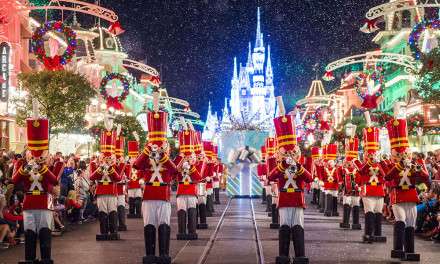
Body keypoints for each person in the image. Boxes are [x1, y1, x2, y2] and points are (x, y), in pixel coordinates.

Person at [133, 95, 178, 264]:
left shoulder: (168, 158)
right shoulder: (146, 157)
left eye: (164, 144)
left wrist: (163, 155)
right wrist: (147, 149)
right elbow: (136, 166)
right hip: (149, 195)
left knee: (164, 225)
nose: (161, 146)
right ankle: (150, 254)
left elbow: (175, 171)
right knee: (149, 225)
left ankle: (164, 254)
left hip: (163, 195)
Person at [269, 97, 312, 264]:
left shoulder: (303, 164)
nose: (290, 156)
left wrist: (298, 166)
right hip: (284, 199)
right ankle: (284, 255)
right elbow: (271, 176)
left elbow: (309, 178)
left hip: (297, 199)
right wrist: (283, 165)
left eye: (293, 153)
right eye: (287, 153)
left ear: (298, 153)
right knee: (285, 226)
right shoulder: (279, 166)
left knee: (298, 226)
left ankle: (300, 255)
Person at [386, 104, 429, 261]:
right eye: (399, 154)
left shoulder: (414, 163)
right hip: (398, 196)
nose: (403, 156)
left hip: (411, 196)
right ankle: (398, 249)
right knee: (401, 222)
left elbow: (426, 178)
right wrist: (399, 165)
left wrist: (417, 167)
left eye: (405, 153)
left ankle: (410, 250)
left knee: (411, 224)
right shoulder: (392, 165)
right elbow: (388, 177)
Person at [12, 117, 59, 264]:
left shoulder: (48, 166)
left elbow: (54, 180)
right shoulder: (23, 165)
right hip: (29, 203)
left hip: (44, 201)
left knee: (45, 230)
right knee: (30, 232)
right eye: (30, 153)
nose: (33, 155)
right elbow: (14, 181)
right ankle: (29, 259)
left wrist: (42, 167)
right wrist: (25, 168)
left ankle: (46, 258)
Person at [358, 112, 387, 243]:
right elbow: (361, 172)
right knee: (369, 212)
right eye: (369, 154)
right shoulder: (363, 163)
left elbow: (385, 174)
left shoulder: (381, 163)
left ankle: (378, 233)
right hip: (368, 190)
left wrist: (379, 162)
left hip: (379, 191)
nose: (371, 155)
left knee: (378, 212)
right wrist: (369, 162)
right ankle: (368, 234)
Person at [89, 129, 122, 241]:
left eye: (109, 158)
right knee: (102, 211)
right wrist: (101, 168)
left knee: (112, 210)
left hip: (112, 191)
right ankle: (103, 232)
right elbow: (92, 177)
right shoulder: (96, 165)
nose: (106, 159)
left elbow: (118, 178)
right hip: (101, 191)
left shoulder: (115, 166)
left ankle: (113, 231)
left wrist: (111, 168)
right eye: (103, 157)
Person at [174, 120, 201, 240]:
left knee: (191, 211)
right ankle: (181, 231)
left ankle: (192, 231)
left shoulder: (194, 164)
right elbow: (174, 171)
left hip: (191, 190)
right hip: (181, 190)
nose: (189, 158)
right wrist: (182, 160)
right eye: (187, 156)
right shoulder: (179, 161)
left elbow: (198, 178)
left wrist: (191, 165)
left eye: (191, 156)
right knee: (181, 211)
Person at [339, 123, 362, 230]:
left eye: (352, 162)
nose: (350, 163)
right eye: (349, 162)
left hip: (356, 190)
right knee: (347, 204)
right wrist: (340, 184)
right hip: (347, 190)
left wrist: (360, 185)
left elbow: (361, 177)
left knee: (356, 204)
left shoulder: (358, 169)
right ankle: (345, 221)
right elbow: (340, 177)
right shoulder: (344, 169)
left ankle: (356, 223)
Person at [126, 140, 143, 219]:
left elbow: (142, 174)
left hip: (137, 185)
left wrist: (142, 179)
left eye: (134, 158)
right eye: (131, 158)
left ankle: (138, 212)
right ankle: (131, 212)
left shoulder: (139, 166)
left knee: (138, 200)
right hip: (130, 185)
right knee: (131, 200)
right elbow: (125, 175)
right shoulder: (127, 166)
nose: (133, 159)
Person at [114, 133, 127, 231]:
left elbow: (127, 175)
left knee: (121, 207)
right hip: (113, 189)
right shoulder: (113, 164)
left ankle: (122, 224)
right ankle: (114, 226)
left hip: (120, 189)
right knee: (113, 209)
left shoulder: (123, 165)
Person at [322, 144, 340, 217]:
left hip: (334, 185)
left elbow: (338, 177)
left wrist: (338, 182)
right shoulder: (325, 169)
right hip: (328, 185)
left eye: (332, 163)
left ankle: (334, 211)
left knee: (335, 199)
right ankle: (328, 211)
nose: (331, 164)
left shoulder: (336, 169)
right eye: (330, 163)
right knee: (328, 198)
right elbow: (323, 176)